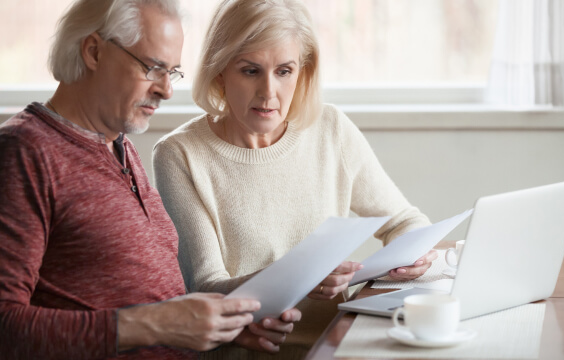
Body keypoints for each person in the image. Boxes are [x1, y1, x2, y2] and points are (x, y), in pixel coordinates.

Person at [0, 1, 300, 359]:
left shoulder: (120, 147)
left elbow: (138, 301)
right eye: (153, 68)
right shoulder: (20, 155)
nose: (166, 90)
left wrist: (221, 328)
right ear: (93, 51)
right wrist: (156, 324)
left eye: (173, 72)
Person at [152, 0, 437, 358]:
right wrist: (300, 275)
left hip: (335, 347)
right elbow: (207, 288)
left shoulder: (331, 128)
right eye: (250, 70)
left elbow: (406, 221)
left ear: (302, 71)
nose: (269, 92)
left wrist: (414, 252)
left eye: (284, 71)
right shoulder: (179, 154)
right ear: (220, 71)